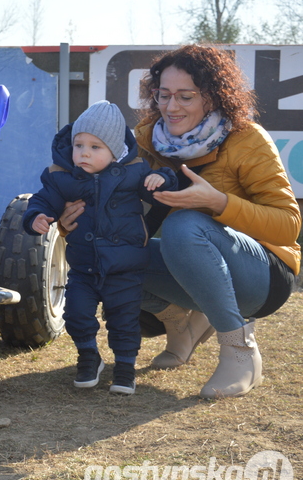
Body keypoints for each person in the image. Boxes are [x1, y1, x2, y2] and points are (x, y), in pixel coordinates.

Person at [59, 45, 301, 399]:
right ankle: (179, 324)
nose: (171, 108)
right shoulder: (142, 140)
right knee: (102, 252)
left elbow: (289, 225)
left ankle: (241, 351)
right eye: (163, 95)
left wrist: (219, 203)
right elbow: (102, 202)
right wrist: (70, 222)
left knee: (183, 225)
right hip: (188, 264)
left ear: (214, 96)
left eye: (185, 97)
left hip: (262, 277)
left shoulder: (247, 139)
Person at [22, 100, 177, 395]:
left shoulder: (133, 173)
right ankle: (89, 356)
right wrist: (36, 216)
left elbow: (167, 186)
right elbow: (43, 199)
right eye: (79, 144)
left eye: (96, 147)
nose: (84, 153)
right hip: (83, 267)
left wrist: (163, 178)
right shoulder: (61, 176)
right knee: (76, 313)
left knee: (124, 320)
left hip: (125, 268)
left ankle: (125, 367)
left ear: (115, 151)